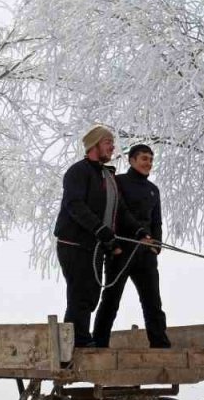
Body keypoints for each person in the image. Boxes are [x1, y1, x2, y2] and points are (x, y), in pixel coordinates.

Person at [54, 125, 153, 348]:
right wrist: (100, 229)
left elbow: (121, 210)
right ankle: (77, 342)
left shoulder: (107, 176)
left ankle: (80, 338)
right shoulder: (78, 172)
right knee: (80, 292)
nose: (112, 146)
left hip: (96, 245)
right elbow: (75, 205)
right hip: (74, 243)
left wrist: (139, 231)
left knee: (91, 293)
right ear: (95, 145)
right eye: (108, 142)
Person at [92, 143, 171, 348]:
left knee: (153, 301)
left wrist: (157, 245)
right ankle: (99, 343)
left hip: (146, 253)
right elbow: (119, 213)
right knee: (111, 299)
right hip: (122, 250)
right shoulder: (118, 182)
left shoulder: (154, 190)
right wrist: (117, 244)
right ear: (132, 160)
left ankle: (160, 343)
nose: (148, 163)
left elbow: (157, 222)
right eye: (144, 158)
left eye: (151, 159)